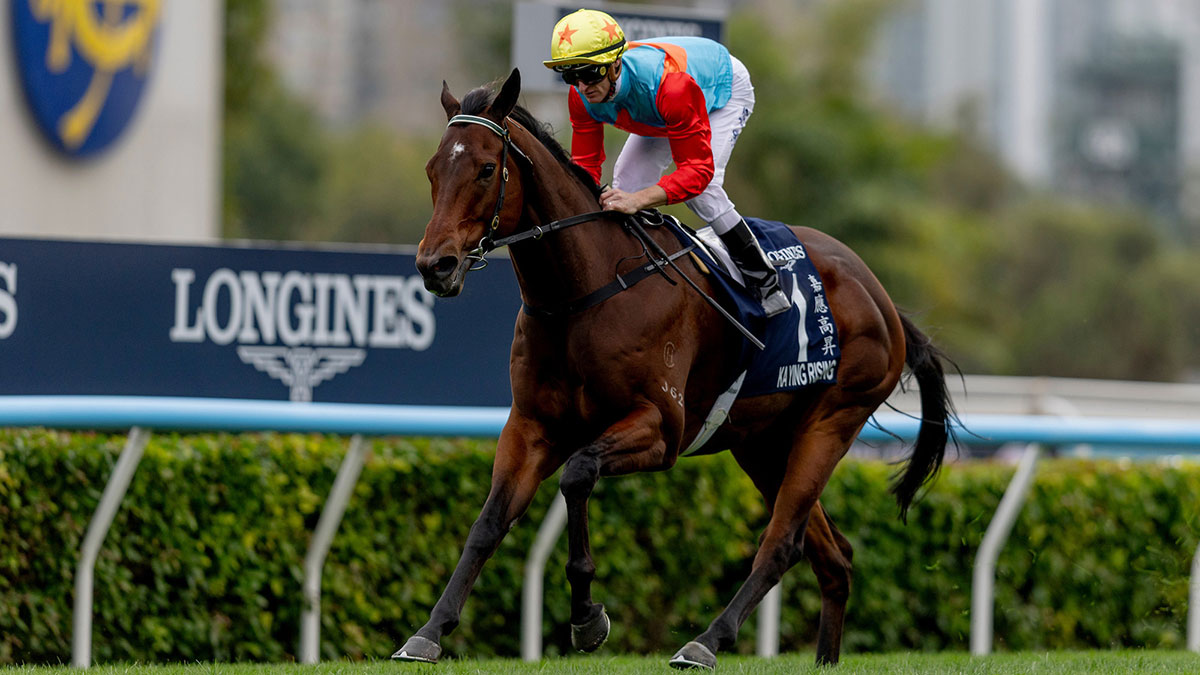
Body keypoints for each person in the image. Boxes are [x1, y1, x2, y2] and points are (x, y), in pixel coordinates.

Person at [543, 8, 789, 316]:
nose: (582, 86)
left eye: (590, 73)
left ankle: (764, 280)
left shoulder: (672, 88)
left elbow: (697, 172)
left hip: (719, 91)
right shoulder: (580, 96)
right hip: (659, 107)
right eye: (571, 75)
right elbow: (585, 168)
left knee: (704, 191)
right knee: (626, 184)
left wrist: (639, 200)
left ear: (616, 65)